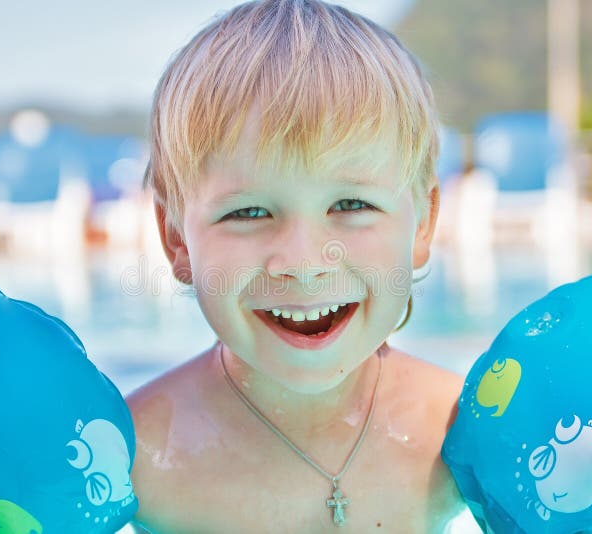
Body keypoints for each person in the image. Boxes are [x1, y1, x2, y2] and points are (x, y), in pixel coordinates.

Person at [125, 0, 469, 531]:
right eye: (248, 212)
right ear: (178, 240)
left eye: (351, 206)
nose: (304, 265)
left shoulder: (460, 436)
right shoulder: (138, 457)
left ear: (422, 225)